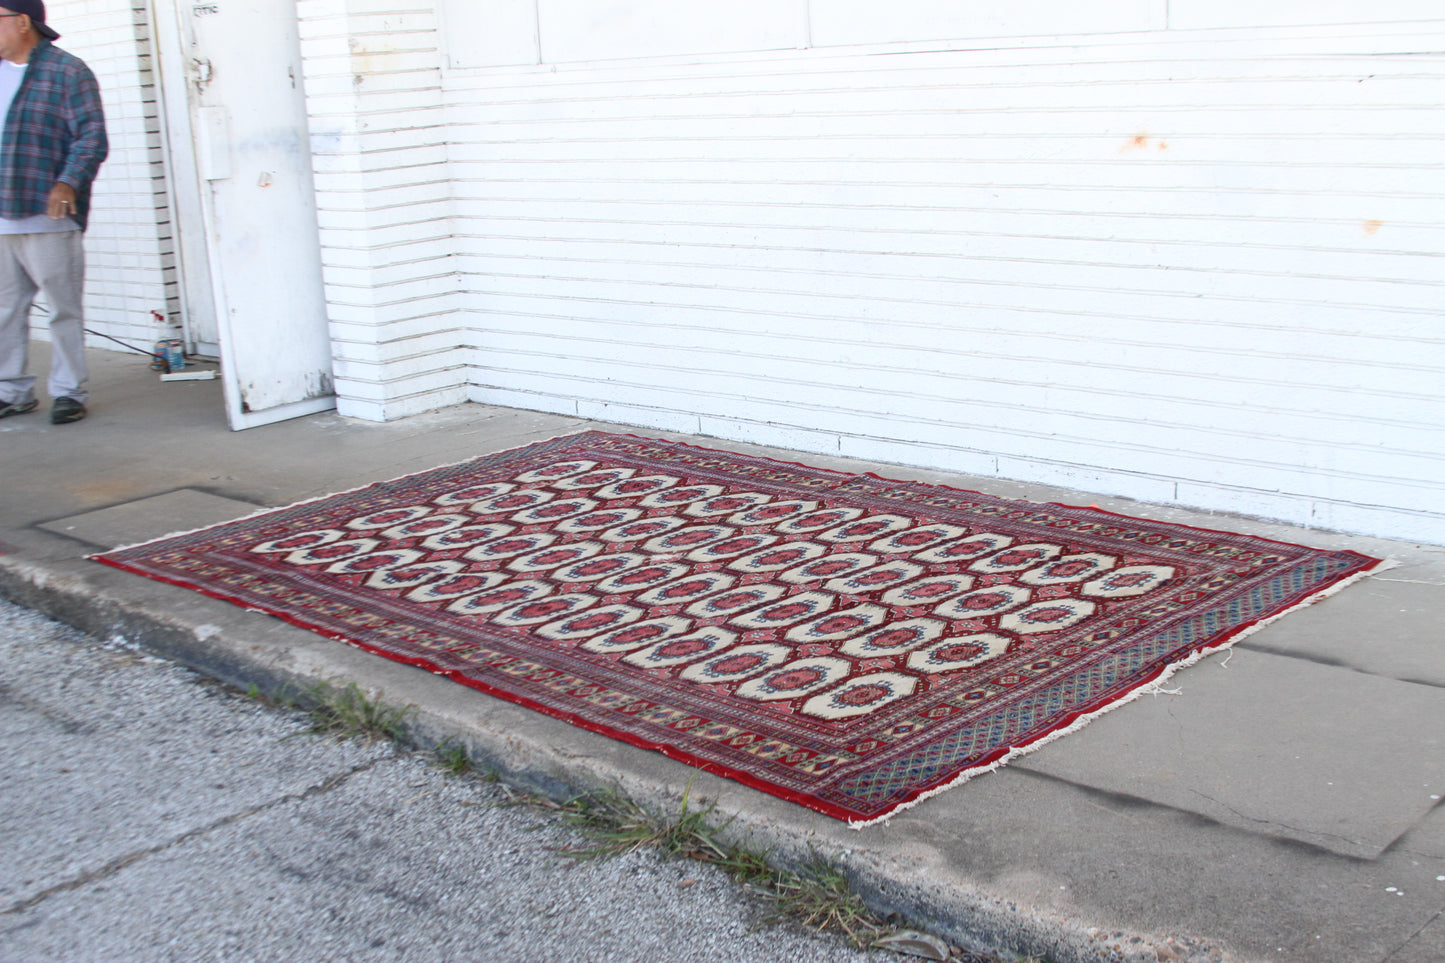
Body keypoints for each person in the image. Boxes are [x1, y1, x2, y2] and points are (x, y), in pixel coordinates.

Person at [0, 0, 105, 425]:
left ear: (23, 22)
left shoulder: (67, 71)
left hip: (49, 213)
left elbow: (91, 136)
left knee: (62, 307)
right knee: (5, 309)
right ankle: (11, 390)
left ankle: (68, 391)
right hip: (2, 215)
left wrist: (67, 181)